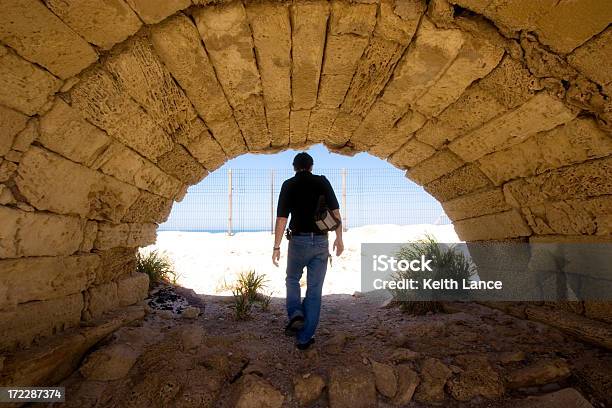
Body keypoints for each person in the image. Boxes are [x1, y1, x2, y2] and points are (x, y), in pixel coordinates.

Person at [272, 152, 344, 350]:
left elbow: (281, 219)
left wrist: (276, 246)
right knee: (314, 290)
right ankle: (305, 338)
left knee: (292, 279)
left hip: (298, 241)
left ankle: (295, 313)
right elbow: (336, 213)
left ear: (294, 167)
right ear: (311, 166)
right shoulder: (322, 182)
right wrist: (339, 238)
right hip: (321, 242)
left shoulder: (288, 185)